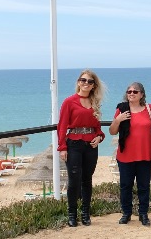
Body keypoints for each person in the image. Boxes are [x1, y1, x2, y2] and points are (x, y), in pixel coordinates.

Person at [57, 70, 105, 227]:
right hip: (74, 144)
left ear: (93, 86)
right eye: (83, 80)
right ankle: (72, 214)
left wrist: (99, 137)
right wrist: (62, 147)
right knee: (74, 180)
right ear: (78, 82)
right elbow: (62, 126)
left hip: (91, 145)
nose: (86, 83)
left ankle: (85, 214)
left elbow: (97, 128)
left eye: (90, 81)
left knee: (87, 180)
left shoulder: (94, 102)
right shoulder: (69, 102)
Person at [109, 82, 151, 226]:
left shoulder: (149, 108)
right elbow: (112, 131)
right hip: (125, 155)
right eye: (129, 91)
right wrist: (118, 120)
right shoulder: (121, 109)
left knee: (144, 186)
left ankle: (143, 214)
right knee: (125, 186)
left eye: (135, 91)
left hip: (144, 154)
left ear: (141, 94)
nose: (131, 93)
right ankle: (126, 213)